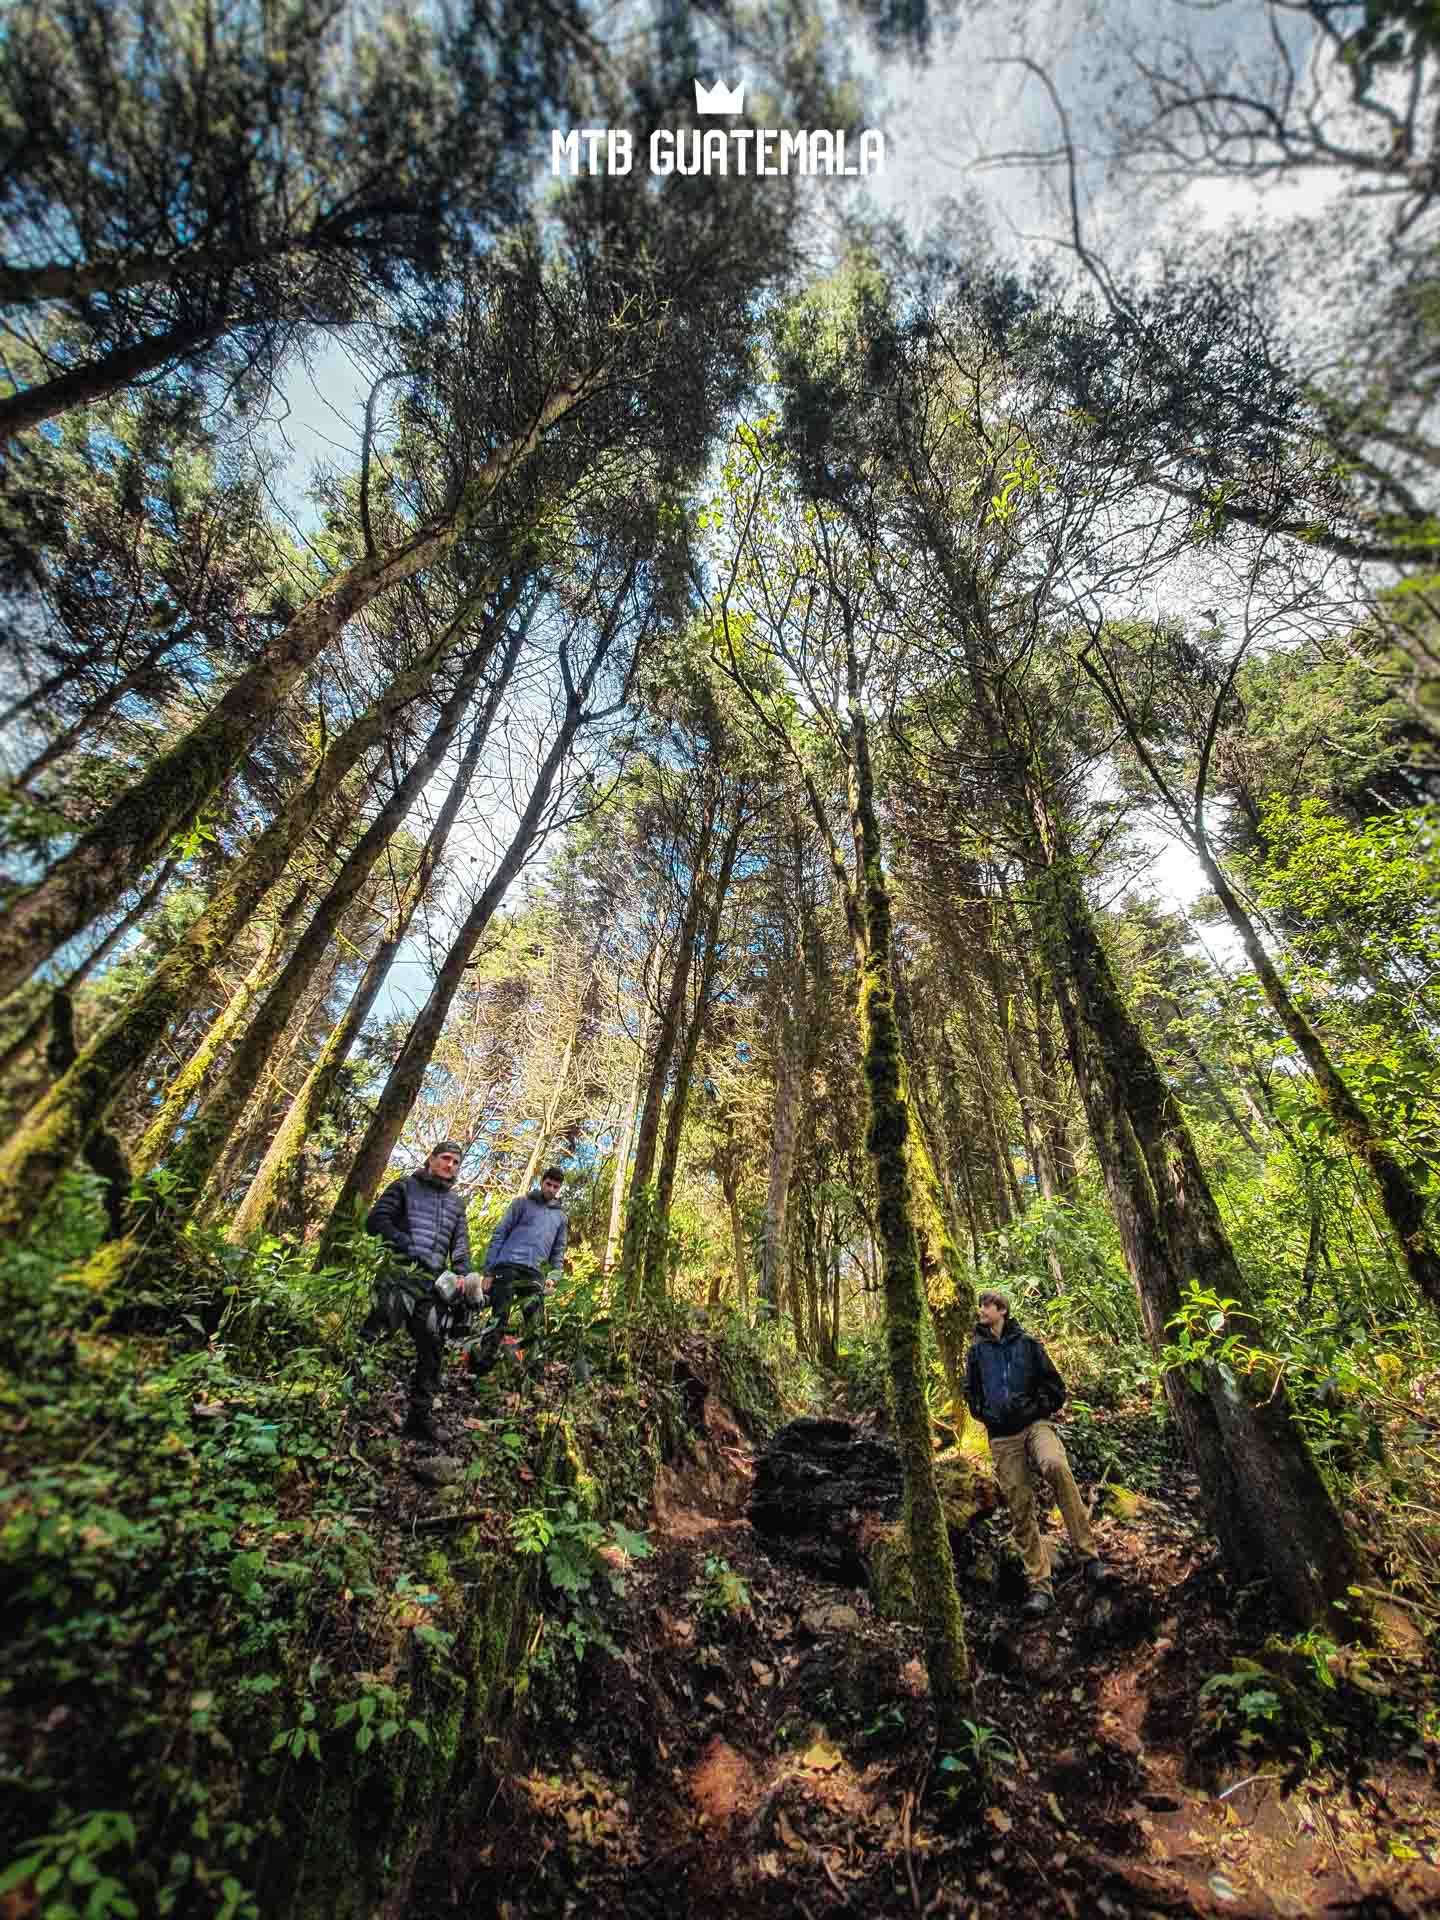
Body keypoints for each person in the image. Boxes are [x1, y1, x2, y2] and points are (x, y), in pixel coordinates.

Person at [964, 1287, 1104, 1617]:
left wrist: (1034, 1408)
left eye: (987, 1306)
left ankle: (1090, 1558)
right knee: (1018, 1502)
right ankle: (1040, 1587)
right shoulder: (976, 1352)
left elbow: (1055, 1387)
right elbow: (971, 1394)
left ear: (1002, 1310)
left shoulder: (1028, 1345)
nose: (981, 1311)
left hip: (1036, 1426)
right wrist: (987, 1414)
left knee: (1055, 1464)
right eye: (981, 1306)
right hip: (1002, 1437)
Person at [364, 1141, 479, 1445]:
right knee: (376, 1333)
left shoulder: (456, 1204)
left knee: (432, 1346)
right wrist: (409, 1246)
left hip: (431, 1285)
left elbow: (461, 1250)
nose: (450, 1165)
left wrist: (466, 1278)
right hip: (399, 1275)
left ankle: (419, 1417)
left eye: (456, 1162)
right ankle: (346, 1399)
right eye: (445, 1159)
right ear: (431, 1159)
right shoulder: (404, 1186)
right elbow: (376, 1222)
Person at [471, 1165, 568, 1375]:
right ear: (542, 1182)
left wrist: (553, 1277)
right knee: (500, 1316)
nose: (551, 1189)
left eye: (556, 1186)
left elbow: (558, 1252)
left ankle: (535, 1373)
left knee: (534, 1322)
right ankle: (481, 1367)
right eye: (548, 1184)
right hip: (507, 1266)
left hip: (535, 1273)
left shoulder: (560, 1218)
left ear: (559, 1189)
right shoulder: (521, 1203)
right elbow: (500, 1233)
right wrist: (489, 1271)